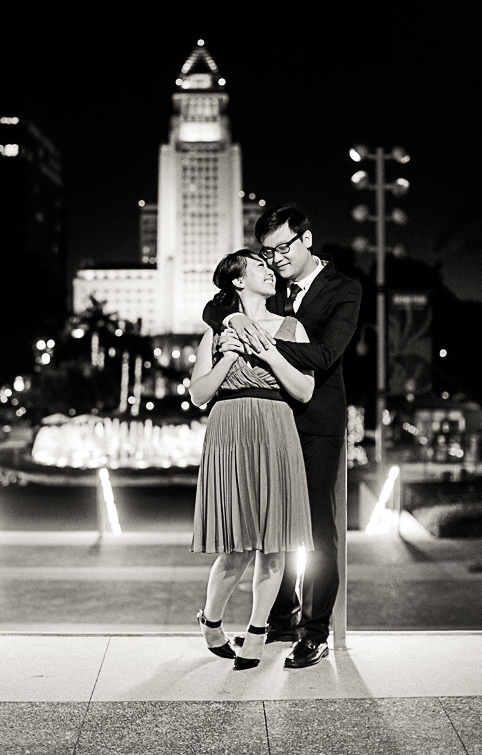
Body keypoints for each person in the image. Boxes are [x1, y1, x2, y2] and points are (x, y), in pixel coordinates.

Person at [203, 202, 362, 669]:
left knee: (314, 530)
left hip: (315, 420)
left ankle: (315, 633)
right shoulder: (268, 290)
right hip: (269, 422)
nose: (274, 259)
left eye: (282, 248)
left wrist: (261, 339)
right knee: (271, 526)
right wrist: (232, 321)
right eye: (267, 253)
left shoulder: (343, 290)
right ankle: (279, 617)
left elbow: (327, 351)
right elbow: (217, 304)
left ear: (306, 239)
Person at [190, 248, 315, 670]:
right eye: (259, 265)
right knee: (236, 545)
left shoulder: (291, 327)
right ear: (238, 280)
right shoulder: (216, 330)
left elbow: (304, 391)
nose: (270, 270)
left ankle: (259, 631)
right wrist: (229, 353)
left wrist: (268, 352)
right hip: (230, 431)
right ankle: (211, 621)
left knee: (274, 543)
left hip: (277, 428)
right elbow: (200, 394)